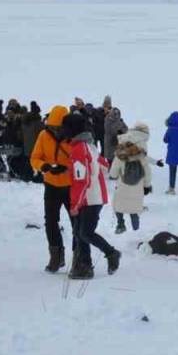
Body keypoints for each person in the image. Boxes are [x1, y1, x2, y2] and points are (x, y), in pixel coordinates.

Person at [63, 113, 120, 279]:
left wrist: (75, 204)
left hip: (89, 198)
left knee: (85, 233)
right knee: (79, 232)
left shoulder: (79, 149)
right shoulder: (90, 146)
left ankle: (111, 253)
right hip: (94, 196)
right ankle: (84, 267)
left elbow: (82, 180)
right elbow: (103, 166)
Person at [30, 105, 73, 273]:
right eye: (52, 127)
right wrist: (44, 166)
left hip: (70, 186)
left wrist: (66, 168)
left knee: (76, 223)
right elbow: (34, 158)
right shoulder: (43, 135)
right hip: (51, 185)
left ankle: (79, 257)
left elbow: (80, 162)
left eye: (58, 127)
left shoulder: (72, 138)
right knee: (50, 222)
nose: (55, 131)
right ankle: (56, 256)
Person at [110, 122, 155, 234]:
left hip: (122, 183)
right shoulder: (142, 149)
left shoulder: (122, 148)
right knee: (134, 209)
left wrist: (114, 175)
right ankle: (136, 232)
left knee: (118, 205)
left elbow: (114, 171)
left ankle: (120, 225)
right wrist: (147, 185)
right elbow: (147, 171)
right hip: (138, 185)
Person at [20, 102, 44, 181]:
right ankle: (38, 177)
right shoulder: (38, 123)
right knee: (38, 161)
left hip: (27, 146)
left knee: (27, 161)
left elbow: (20, 135)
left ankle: (26, 176)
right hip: (36, 145)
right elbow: (42, 134)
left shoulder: (25, 122)